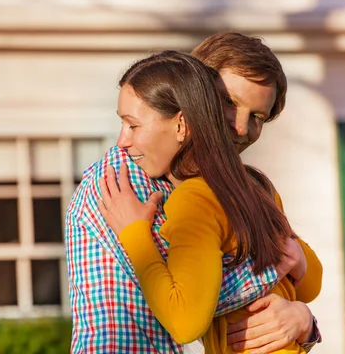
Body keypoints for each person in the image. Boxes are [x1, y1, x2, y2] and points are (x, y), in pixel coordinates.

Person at [65, 32, 322, 353]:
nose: (240, 128)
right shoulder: (131, 177)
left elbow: (300, 279)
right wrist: (277, 268)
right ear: (192, 91)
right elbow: (184, 305)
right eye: (229, 102)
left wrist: (303, 320)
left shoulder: (243, 186)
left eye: (256, 117)